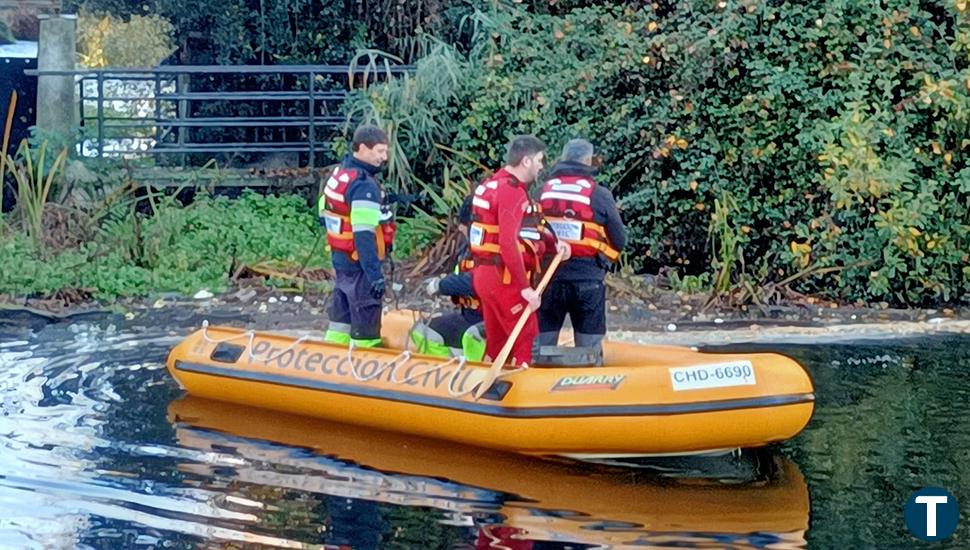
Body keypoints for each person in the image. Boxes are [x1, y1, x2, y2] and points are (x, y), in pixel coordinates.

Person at [469, 135, 569, 368]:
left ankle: (489, 385)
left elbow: (527, 228)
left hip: (484, 275)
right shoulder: (512, 191)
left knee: (497, 342)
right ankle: (524, 387)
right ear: (526, 161)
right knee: (526, 338)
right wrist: (525, 289)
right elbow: (508, 241)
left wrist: (555, 245)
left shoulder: (490, 184)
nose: (541, 166)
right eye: (539, 160)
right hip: (503, 278)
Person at [536, 139, 626, 362]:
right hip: (588, 281)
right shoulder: (599, 194)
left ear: (563, 159)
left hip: (548, 279)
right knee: (589, 347)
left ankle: (536, 387)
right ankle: (590, 387)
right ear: (587, 161)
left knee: (540, 345)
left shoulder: (540, 192)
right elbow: (620, 239)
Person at [319, 124, 396, 348]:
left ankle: (330, 364)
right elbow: (364, 235)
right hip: (359, 265)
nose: (383, 157)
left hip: (341, 261)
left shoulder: (340, 175)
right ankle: (365, 370)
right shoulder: (364, 186)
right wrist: (375, 275)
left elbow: (323, 213)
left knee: (340, 323)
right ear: (362, 148)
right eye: (380, 151)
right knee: (366, 328)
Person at [411, 197, 486, 359]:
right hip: (469, 315)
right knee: (423, 332)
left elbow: (475, 282)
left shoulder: (492, 252)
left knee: (472, 336)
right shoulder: (466, 250)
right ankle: (446, 369)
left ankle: (477, 373)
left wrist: (441, 285)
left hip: (491, 319)